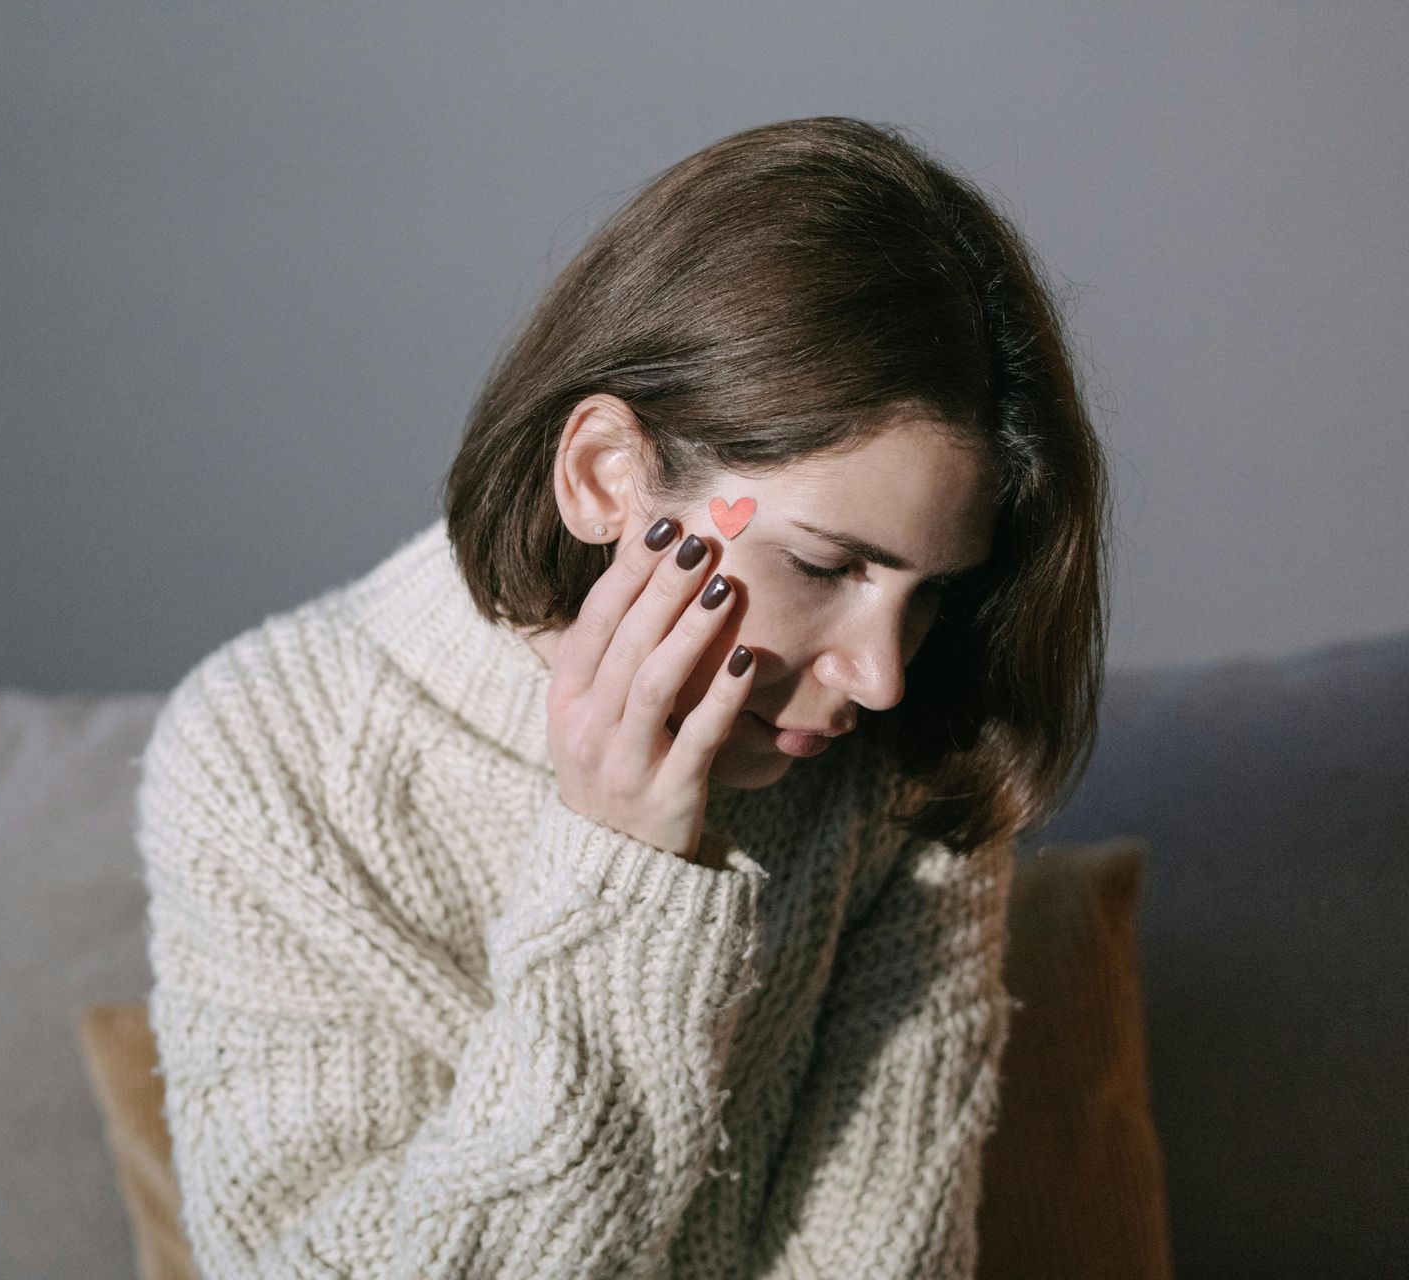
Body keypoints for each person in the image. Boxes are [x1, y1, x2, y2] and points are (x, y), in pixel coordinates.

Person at [134, 116, 1110, 1278]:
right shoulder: (269, 751)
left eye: (930, 593)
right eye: (822, 563)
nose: (882, 673)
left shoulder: (912, 766)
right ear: (606, 474)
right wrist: (621, 869)